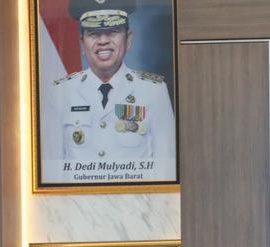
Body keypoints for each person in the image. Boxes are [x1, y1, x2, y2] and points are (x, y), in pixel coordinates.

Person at [41, 0, 176, 182]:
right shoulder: (60, 94)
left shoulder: (154, 92)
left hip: (137, 200)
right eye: (93, 34)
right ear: (82, 43)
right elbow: (52, 172)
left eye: (113, 32)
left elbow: (166, 169)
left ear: (128, 39)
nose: (103, 41)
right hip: (78, 201)